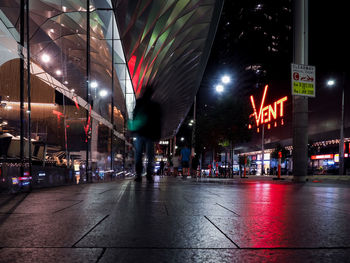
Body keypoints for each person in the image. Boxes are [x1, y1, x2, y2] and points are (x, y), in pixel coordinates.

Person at [128, 87, 161, 182]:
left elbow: (134, 115)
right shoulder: (155, 105)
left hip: (139, 133)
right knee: (150, 155)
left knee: (138, 154)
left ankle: (138, 175)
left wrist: (132, 130)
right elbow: (158, 121)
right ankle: (149, 175)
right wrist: (158, 135)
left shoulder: (139, 103)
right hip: (150, 134)